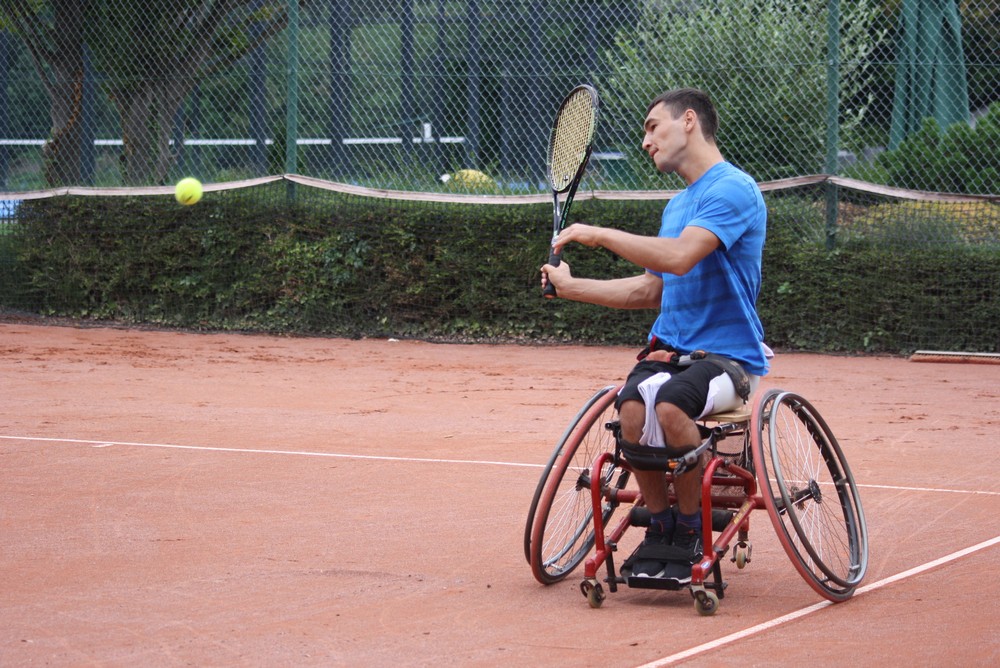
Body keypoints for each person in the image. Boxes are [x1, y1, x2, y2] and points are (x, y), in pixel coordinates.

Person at [540, 87, 769, 583]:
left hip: (726, 358)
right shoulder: (677, 206)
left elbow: (681, 257)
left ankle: (690, 526)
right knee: (630, 411)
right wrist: (573, 286)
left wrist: (598, 234)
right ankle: (660, 523)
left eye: (652, 127)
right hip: (669, 351)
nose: (645, 140)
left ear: (688, 121)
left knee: (669, 406)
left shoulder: (732, 189)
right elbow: (652, 289)